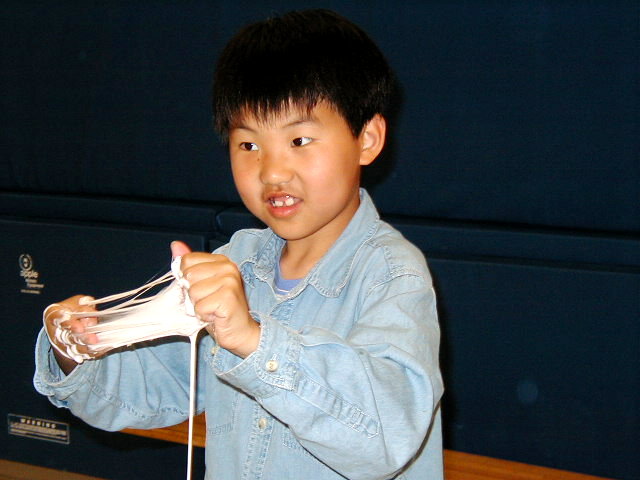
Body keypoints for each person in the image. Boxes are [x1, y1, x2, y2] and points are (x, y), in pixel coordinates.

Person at [34, 9, 444, 479]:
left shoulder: (392, 273)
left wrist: (254, 340)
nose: (272, 172)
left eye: (300, 140)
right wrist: (78, 348)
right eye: (248, 145)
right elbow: (151, 389)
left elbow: (386, 439)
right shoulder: (237, 262)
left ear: (367, 139)